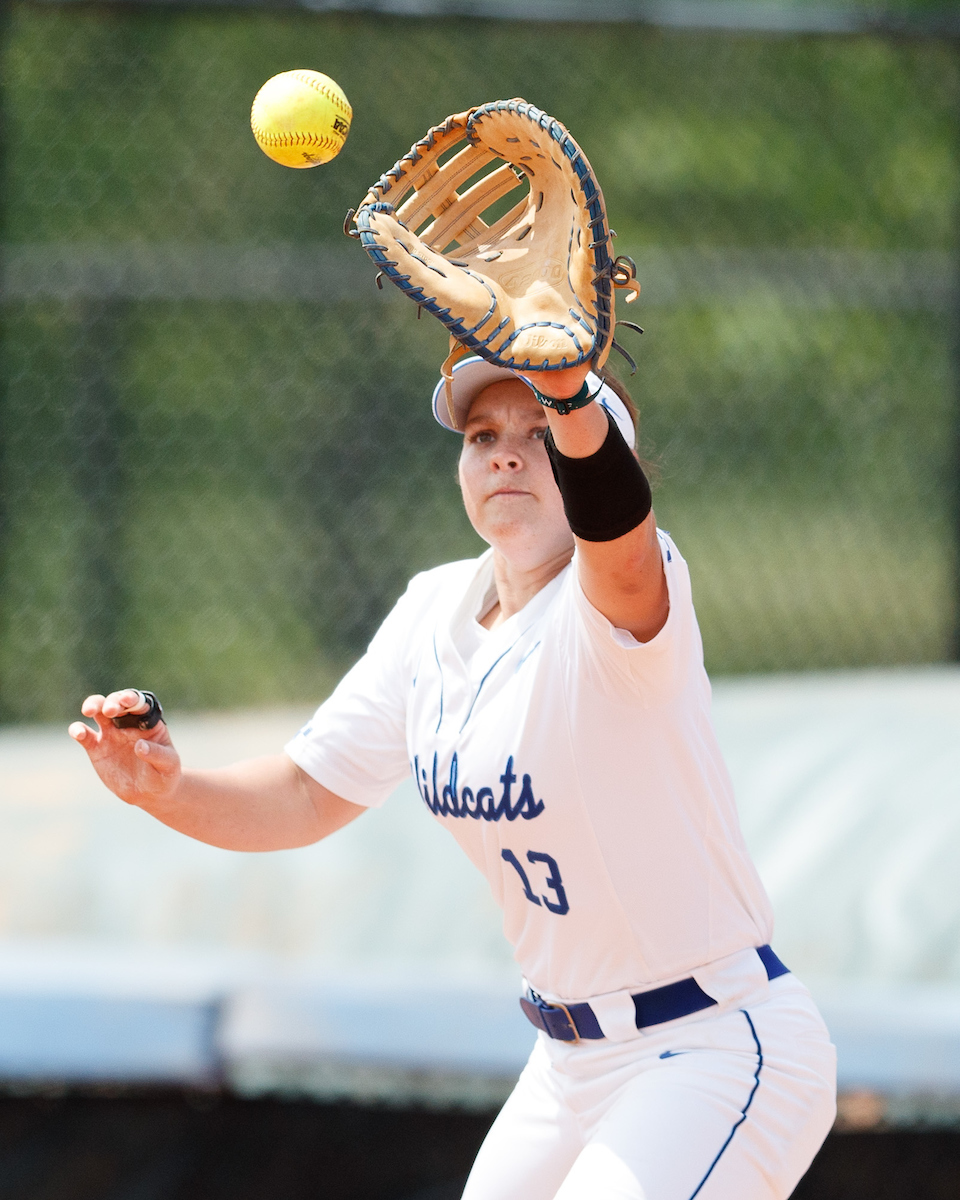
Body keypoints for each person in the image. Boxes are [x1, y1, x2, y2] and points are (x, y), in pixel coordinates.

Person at [70, 355, 836, 1200]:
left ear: (594, 450)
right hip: (568, 1063)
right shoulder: (433, 612)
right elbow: (304, 791)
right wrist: (166, 789)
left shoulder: (617, 598)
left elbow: (617, 538)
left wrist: (570, 388)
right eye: (482, 436)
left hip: (712, 1044)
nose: (506, 454)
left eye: (540, 434)